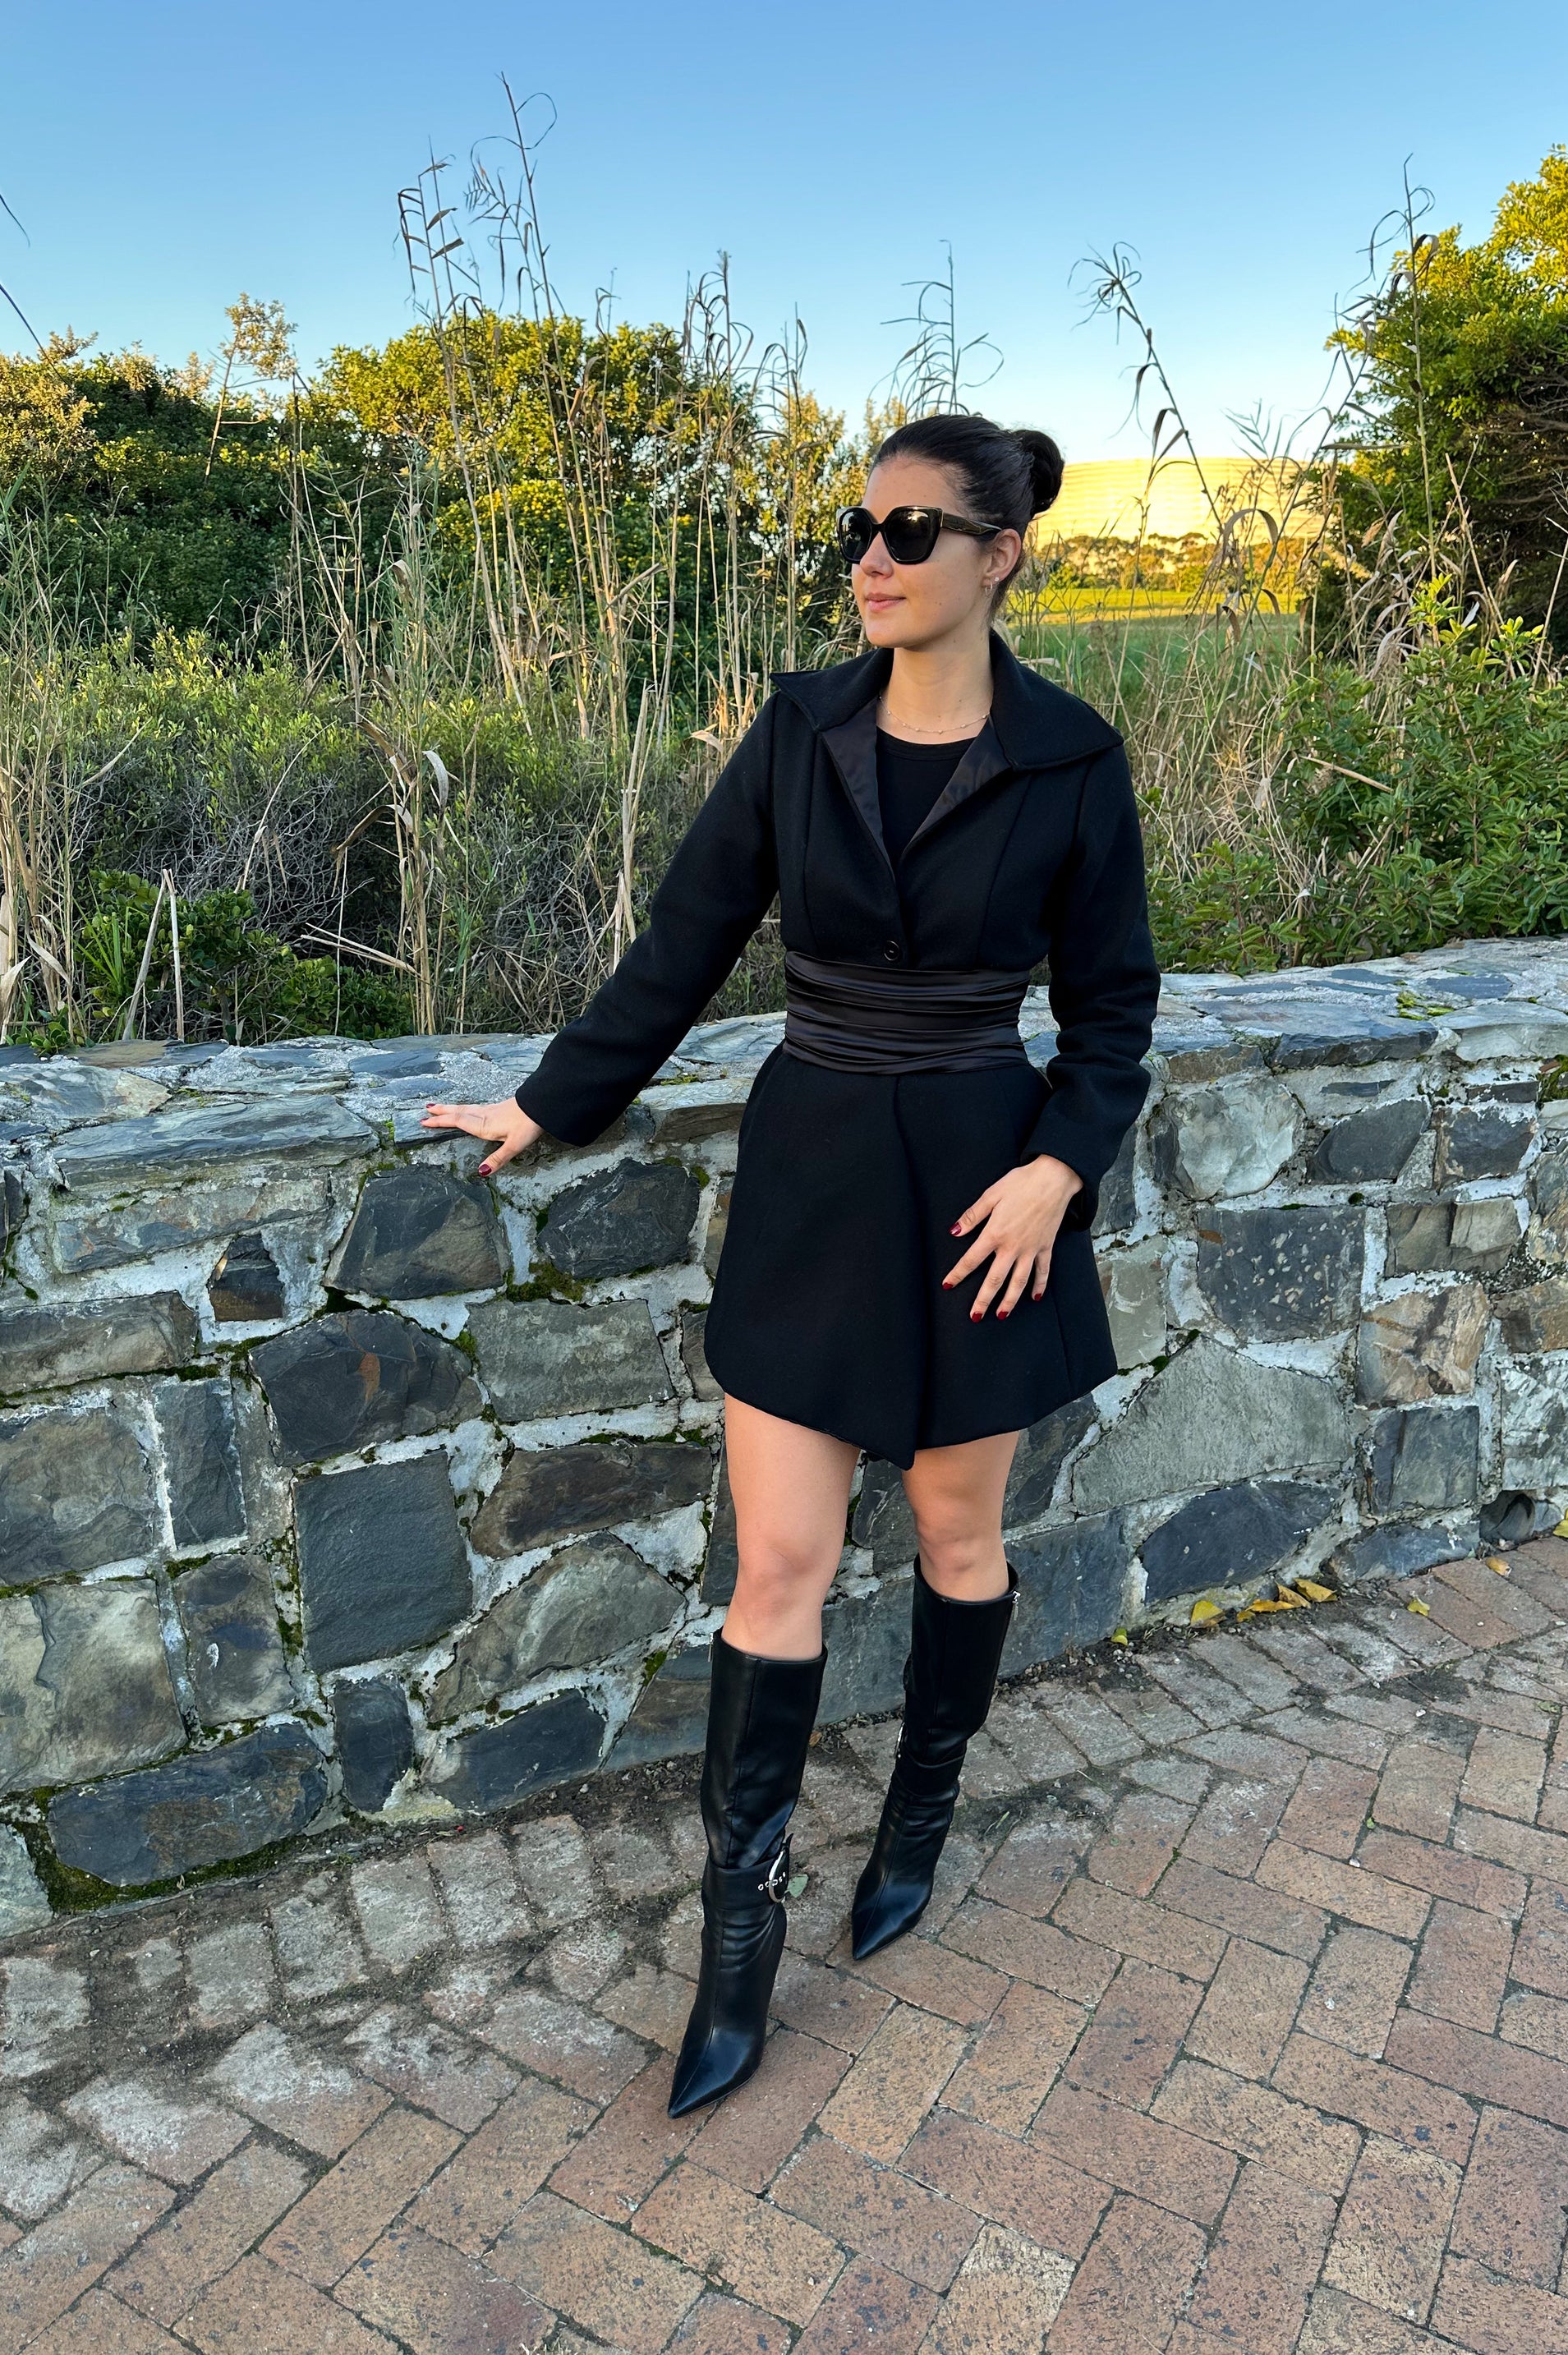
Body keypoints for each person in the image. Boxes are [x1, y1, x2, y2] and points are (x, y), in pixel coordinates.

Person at [422, 412, 1160, 2118]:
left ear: (1001, 557)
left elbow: (1113, 1010)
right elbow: (683, 940)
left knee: (960, 1536)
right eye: (861, 528)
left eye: (915, 533)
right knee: (779, 1564)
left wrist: (1061, 1162)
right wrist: (552, 1102)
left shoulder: (1071, 757)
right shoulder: (799, 728)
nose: (875, 560)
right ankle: (737, 1942)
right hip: (818, 1168)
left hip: (989, 1189)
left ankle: (916, 1818)